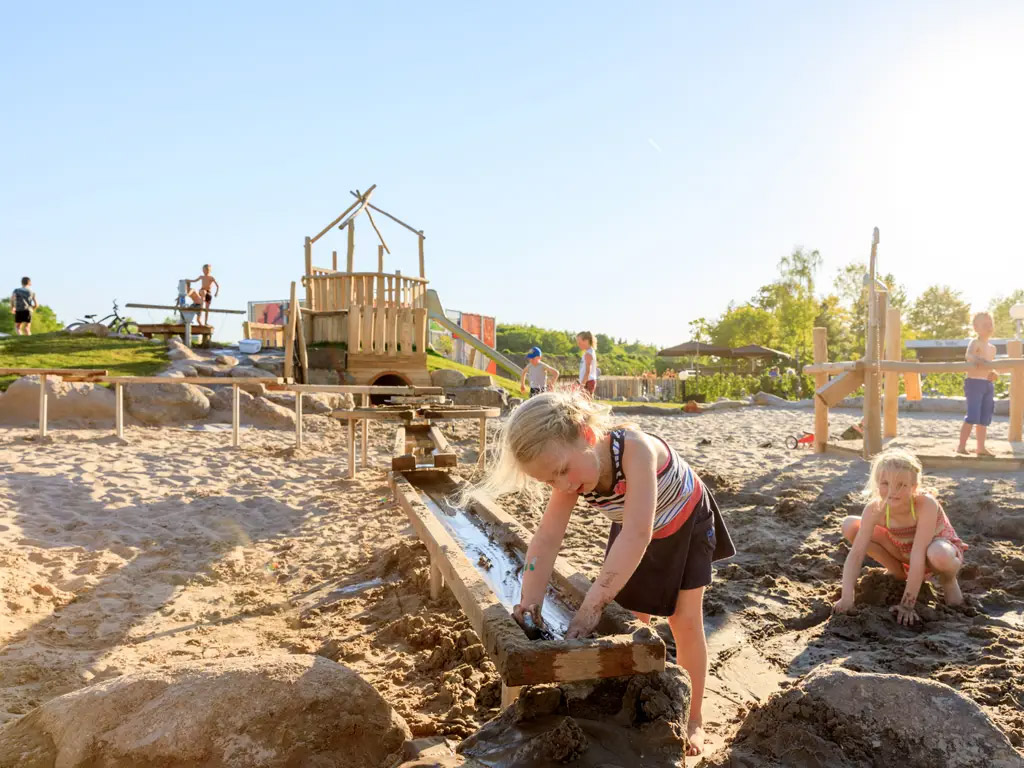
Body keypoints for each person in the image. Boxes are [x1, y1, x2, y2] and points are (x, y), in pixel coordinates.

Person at [473, 390, 735, 755]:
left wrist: (591, 606)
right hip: (631, 524)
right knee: (631, 618)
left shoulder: (635, 449)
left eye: (562, 471)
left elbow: (638, 535)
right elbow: (547, 538)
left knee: (683, 620)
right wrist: (529, 601)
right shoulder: (571, 474)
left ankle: (693, 718)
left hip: (683, 522)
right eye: (550, 481)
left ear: (588, 435)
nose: (562, 486)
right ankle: (636, 694)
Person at [833, 448, 966, 626]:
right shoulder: (875, 509)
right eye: (885, 483)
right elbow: (856, 554)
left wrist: (907, 606)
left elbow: (919, 551)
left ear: (914, 487)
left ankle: (949, 580)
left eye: (901, 485)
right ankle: (898, 572)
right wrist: (846, 597)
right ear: (877, 483)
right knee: (851, 525)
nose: (892, 491)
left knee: (939, 554)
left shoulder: (925, 504)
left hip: (936, 553)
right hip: (903, 551)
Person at [957, 312, 998, 456]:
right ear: (976, 328)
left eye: (990, 324)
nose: (989, 327)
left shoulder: (993, 348)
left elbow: (991, 366)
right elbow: (968, 356)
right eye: (985, 324)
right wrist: (978, 360)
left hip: (987, 384)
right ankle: (961, 446)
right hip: (974, 383)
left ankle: (981, 447)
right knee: (973, 415)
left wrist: (994, 373)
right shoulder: (975, 343)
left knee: (984, 417)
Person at [577, 331, 598, 396]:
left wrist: (581, 386)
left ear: (586, 341)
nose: (578, 344)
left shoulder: (588, 354)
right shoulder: (589, 352)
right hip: (587, 382)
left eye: (579, 342)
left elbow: (588, 372)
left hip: (588, 382)